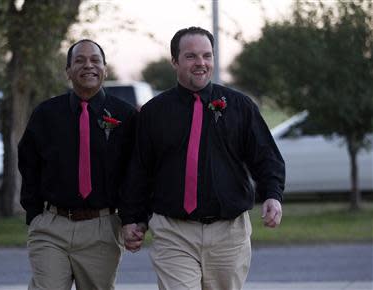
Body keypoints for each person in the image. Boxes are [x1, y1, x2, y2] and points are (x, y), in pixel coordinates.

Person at [119, 27, 285, 290]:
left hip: (229, 233)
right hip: (173, 232)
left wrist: (273, 195)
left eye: (207, 56)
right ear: (175, 61)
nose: (201, 63)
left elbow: (265, 156)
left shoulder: (239, 106)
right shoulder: (153, 112)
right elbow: (139, 170)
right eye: (191, 56)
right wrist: (131, 218)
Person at [18, 39, 137, 290]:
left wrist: (132, 219)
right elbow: (28, 162)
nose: (88, 65)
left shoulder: (126, 116)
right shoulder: (46, 114)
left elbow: (135, 173)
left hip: (102, 228)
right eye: (79, 60)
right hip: (51, 226)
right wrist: (34, 214)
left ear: (105, 68)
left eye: (95, 60)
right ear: (68, 71)